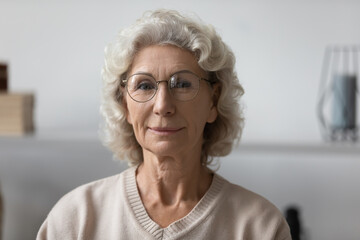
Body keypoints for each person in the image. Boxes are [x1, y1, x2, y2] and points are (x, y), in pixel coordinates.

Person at [37, 9, 291, 240]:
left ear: (213, 102)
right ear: (125, 105)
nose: (162, 105)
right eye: (144, 85)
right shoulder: (74, 219)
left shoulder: (260, 227)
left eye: (182, 84)